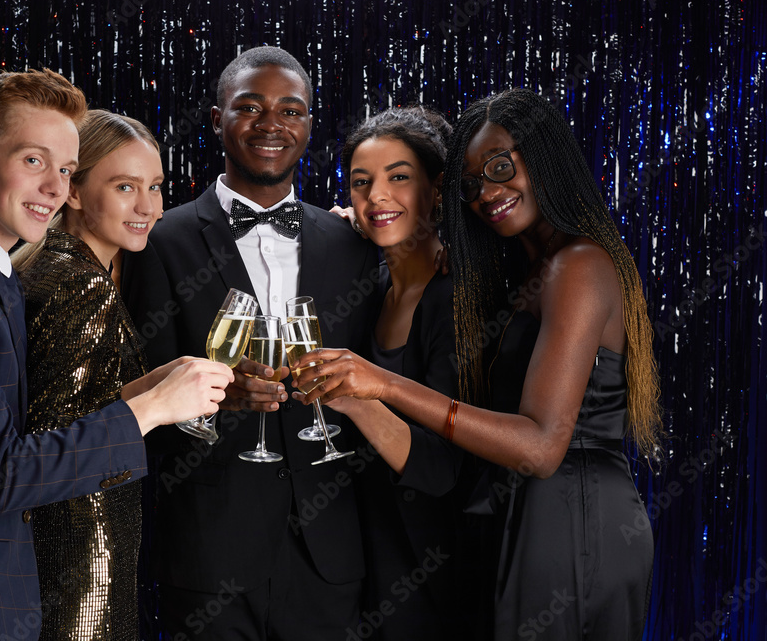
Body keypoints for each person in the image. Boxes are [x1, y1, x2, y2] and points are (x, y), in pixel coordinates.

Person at [0, 70, 232, 640]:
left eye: (64, 168)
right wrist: (149, 410)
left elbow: (22, 430)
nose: (55, 187)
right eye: (35, 161)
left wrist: (147, 393)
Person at [291, 87, 661, 640]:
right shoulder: (526, 269)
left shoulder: (578, 265)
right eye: (473, 183)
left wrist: (380, 384)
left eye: (500, 166)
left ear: (545, 156)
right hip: (534, 516)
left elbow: (539, 448)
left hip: (576, 520)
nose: (488, 192)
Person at [122, 46, 381, 639]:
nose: (272, 124)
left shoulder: (354, 244)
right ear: (217, 120)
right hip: (210, 552)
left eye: (291, 110)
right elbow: (137, 400)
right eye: (250, 107)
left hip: (330, 555)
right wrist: (209, 401)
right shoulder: (160, 241)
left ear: (309, 126)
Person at [10, 109, 184, 640]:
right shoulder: (80, 285)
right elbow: (52, 446)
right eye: (125, 186)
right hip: (82, 555)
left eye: (155, 187)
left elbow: (68, 405)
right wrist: (156, 407)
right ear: (76, 192)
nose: (148, 207)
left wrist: (156, 386)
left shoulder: (55, 266)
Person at [334, 106, 468, 639]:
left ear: (437, 189)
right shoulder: (368, 285)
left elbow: (441, 469)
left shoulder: (456, 298)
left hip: (435, 566)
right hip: (368, 555)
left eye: (398, 178)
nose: (376, 197)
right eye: (362, 183)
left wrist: (351, 395)